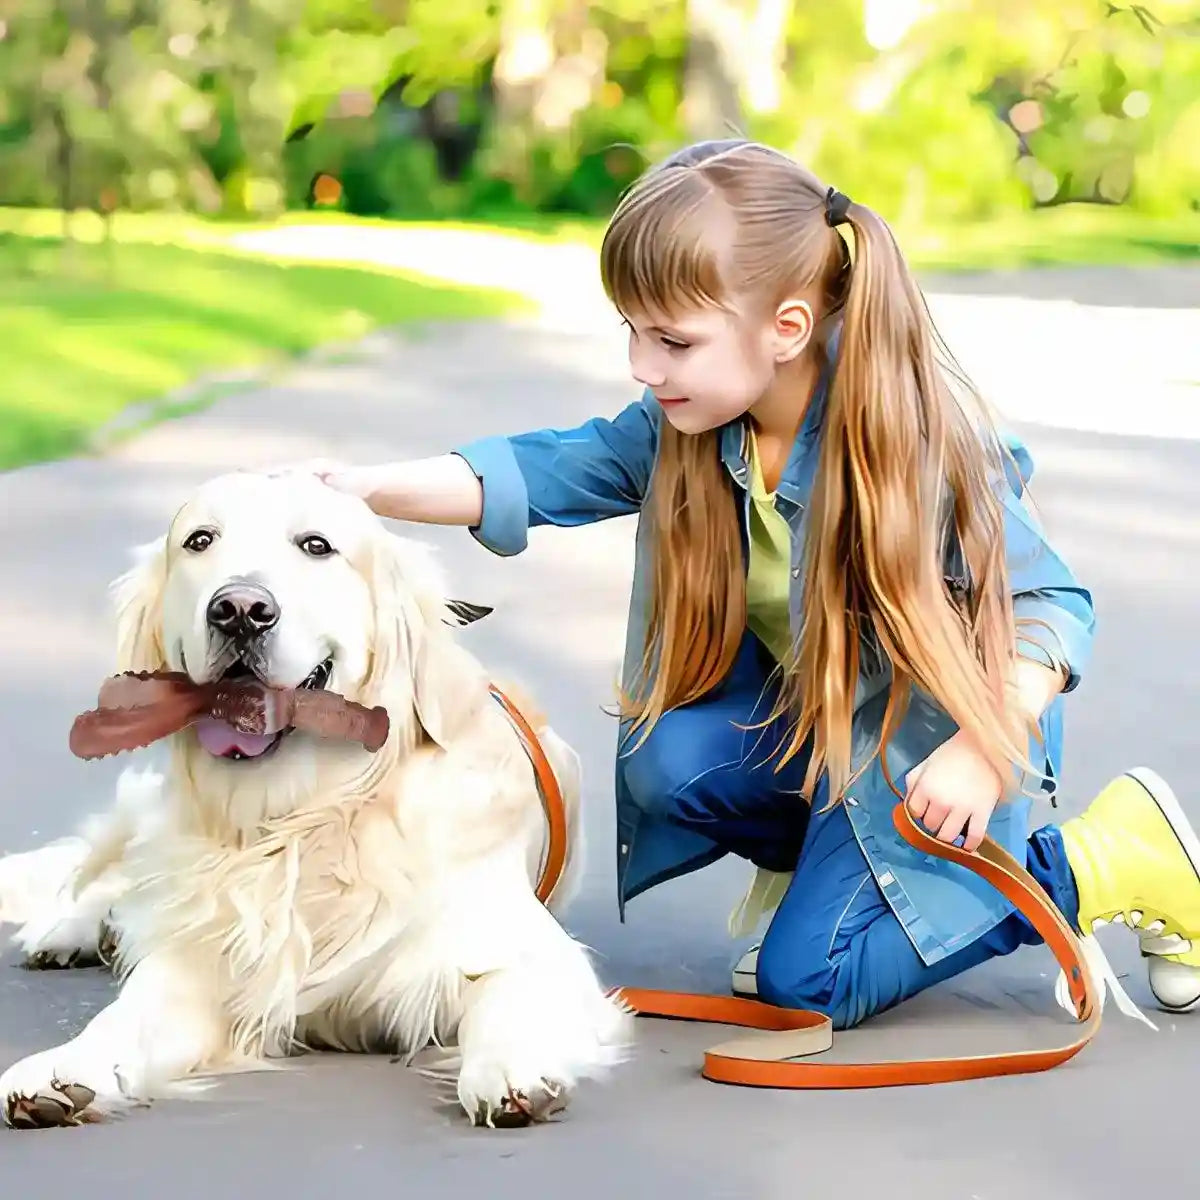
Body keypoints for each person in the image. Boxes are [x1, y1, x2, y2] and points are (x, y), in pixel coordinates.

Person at [285, 139, 1200, 1030]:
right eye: (632, 333)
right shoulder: (690, 428)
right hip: (825, 736)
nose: (644, 367)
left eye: (672, 340)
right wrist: (360, 490)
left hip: (929, 749)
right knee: (665, 761)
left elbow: (1052, 605)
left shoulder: (913, 439)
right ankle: (835, 881)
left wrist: (982, 750)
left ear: (787, 328)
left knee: (807, 984)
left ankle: (1100, 858)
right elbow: (542, 469)